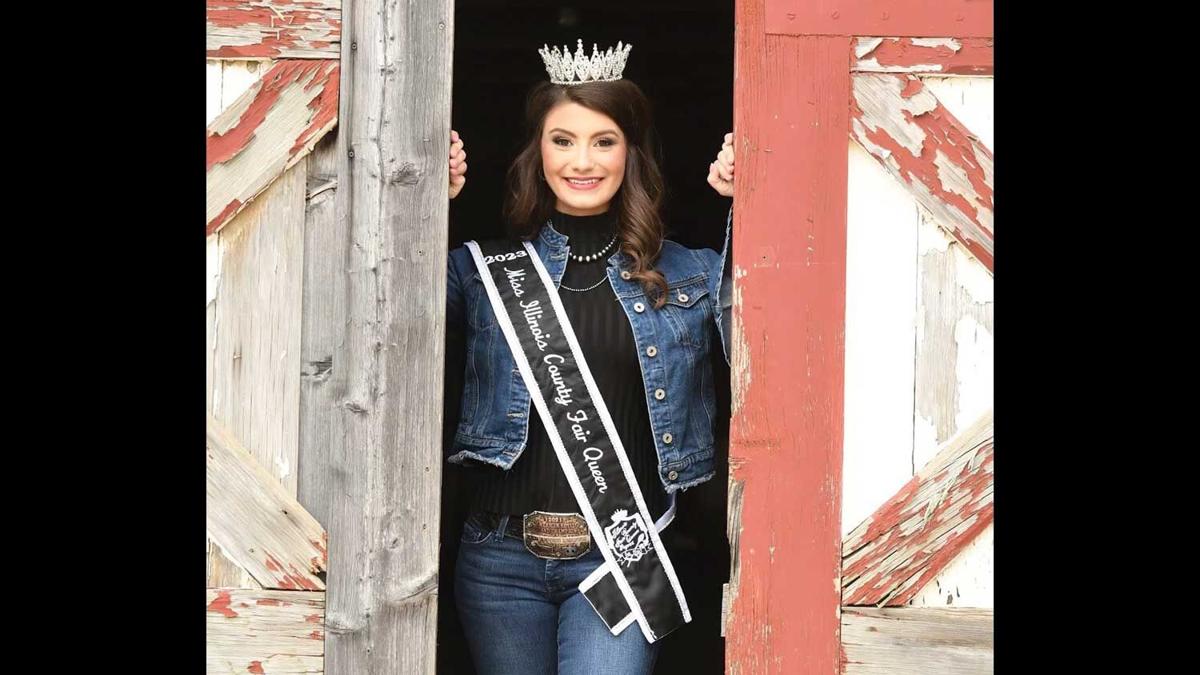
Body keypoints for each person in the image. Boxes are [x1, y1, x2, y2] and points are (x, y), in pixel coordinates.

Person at [443, 39, 736, 675]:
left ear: (630, 151)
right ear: (537, 151)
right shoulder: (480, 272)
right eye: (563, 140)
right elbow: (387, 314)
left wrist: (751, 196)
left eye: (604, 141)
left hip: (624, 555)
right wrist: (419, 198)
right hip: (499, 563)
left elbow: (771, 323)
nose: (582, 161)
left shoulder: (687, 274)